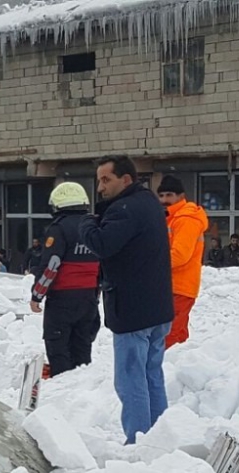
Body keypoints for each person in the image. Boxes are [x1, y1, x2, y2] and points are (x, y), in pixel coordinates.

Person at [78, 155, 173, 445]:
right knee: (152, 375)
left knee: (130, 380)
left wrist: (86, 223)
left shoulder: (124, 209)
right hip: (157, 308)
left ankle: (139, 441)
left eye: (106, 180)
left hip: (133, 311)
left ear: (126, 179)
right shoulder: (148, 203)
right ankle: (159, 436)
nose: (100, 187)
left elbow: (102, 244)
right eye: (98, 180)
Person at [30, 182, 101, 377]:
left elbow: (52, 265)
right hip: (89, 299)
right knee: (82, 349)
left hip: (62, 300)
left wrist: (37, 295)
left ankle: (62, 388)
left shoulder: (59, 228)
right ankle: (82, 390)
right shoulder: (94, 225)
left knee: (59, 349)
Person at [157, 175, 208, 349]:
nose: (164, 200)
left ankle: (171, 370)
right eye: (161, 195)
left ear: (181, 196)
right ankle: (178, 367)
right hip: (170, 285)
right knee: (173, 333)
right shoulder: (171, 218)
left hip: (179, 285)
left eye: (169, 195)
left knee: (171, 335)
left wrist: (150, 265)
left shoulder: (186, 219)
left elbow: (179, 255)